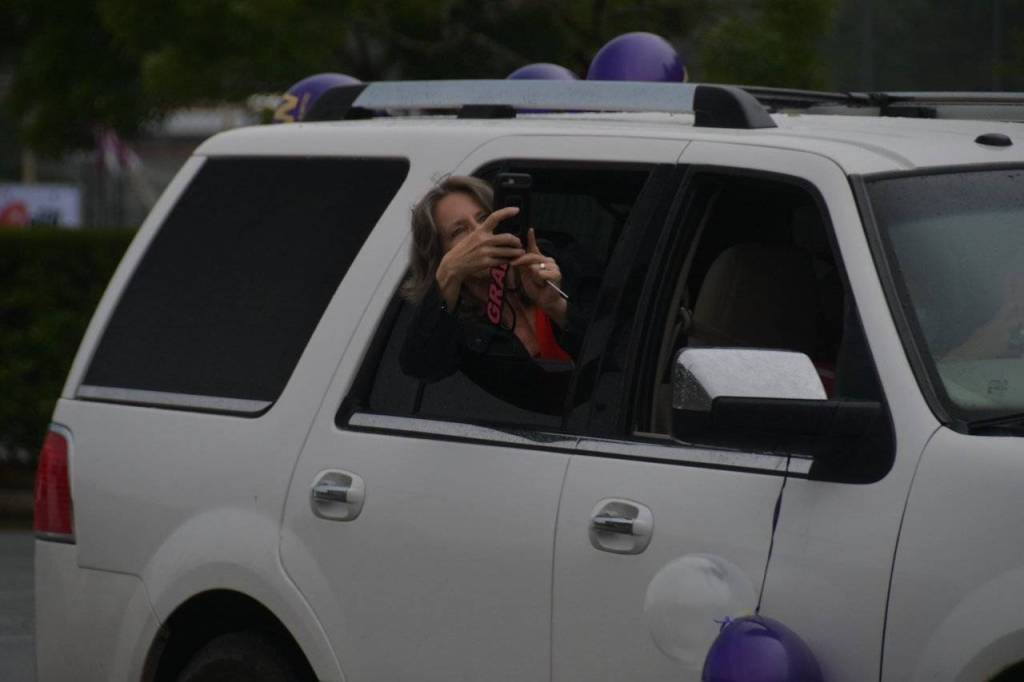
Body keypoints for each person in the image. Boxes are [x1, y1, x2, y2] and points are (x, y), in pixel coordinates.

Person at [399, 175, 589, 412]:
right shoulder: (447, 319)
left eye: (484, 220)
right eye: (460, 231)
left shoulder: (558, 262)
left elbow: (618, 355)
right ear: (441, 254)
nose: (481, 235)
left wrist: (557, 307)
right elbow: (419, 369)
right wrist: (448, 275)